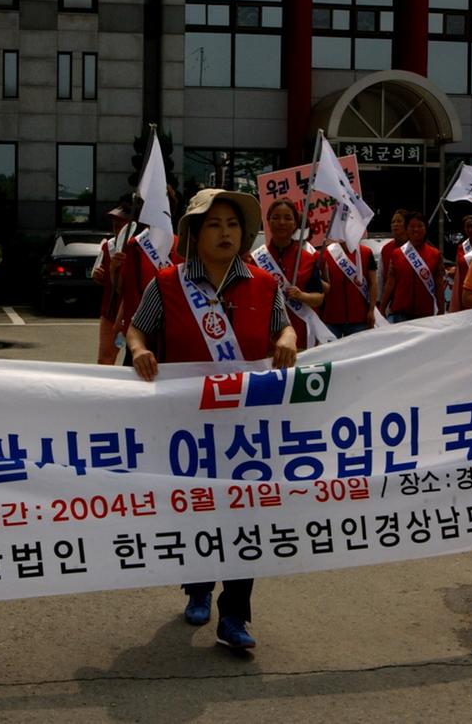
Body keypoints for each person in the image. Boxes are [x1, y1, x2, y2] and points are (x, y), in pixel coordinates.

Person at [127, 188, 296, 651]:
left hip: (247, 426)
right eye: (214, 224)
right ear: (194, 234)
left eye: (233, 225)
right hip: (187, 426)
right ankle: (198, 584)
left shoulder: (264, 284)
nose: (225, 232)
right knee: (198, 511)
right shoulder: (166, 284)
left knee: (246, 518)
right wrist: (140, 350)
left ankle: (234, 617)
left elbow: (283, 325)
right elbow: (138, 327)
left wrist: (287, 338)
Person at [249, 198, 328, 348]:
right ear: (268, 221)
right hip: (266, 339)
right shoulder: (255, 260)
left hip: (301, 339)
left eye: (287, 218)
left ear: (295, 224)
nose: (282, 222)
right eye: (276, 217)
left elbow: (319, 298)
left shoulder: (307, 259)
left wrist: (301, 296)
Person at [112, 186, 184, 348]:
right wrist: (114, 269)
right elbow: (125, 290)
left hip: (174, 329)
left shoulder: (183, 246)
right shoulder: (135, 246)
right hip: (141, 332)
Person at [91, 201, 136, 365]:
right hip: (110, 311)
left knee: (133, 360)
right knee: (105, 359)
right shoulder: (108, 247)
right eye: (114, 221)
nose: (116, 225)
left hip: (134, 313)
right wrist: (99, 275)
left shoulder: (139, 248)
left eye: (120, 222)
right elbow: (102, 277)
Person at [380, 211, 442, 322]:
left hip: (425, 315)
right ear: (406, 229)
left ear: (425, 228)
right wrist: (382, 307)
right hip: (399, 313)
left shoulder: (435, 254)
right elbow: (390, 283)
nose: (416, 229)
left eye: (420, 226)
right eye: (412, 226)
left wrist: (441, 310)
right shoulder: (397, 253)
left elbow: (439, 285)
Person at [320, 234, 377, 337]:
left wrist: (371, 310)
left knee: (358, 352)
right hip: (331, 318)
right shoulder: (326, 254)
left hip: (359, 318)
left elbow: (373, 283)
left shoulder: (366, 253)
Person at [378, 208, 409, 295]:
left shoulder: (416, 247)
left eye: (399, 221)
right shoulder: (386, 249)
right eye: (393, 222)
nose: (395, 224)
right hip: (390, 300)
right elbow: (380, 276)